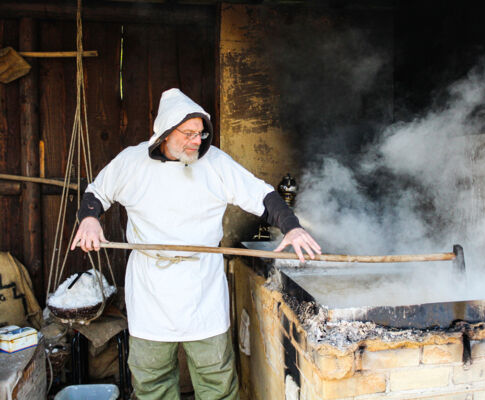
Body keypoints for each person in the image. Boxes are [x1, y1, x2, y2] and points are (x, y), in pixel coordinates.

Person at [70, 88, 321, 400]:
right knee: (151, 379)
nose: (196, 141)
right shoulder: (131, 163)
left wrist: (292, 228)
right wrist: (89, 219)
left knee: (216, 378)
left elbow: (264, 196)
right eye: (188, 133)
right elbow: (97, 193)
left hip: (202, 285)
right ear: (164, 131)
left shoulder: (216, 163)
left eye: (201, 134)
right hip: (150, 287)